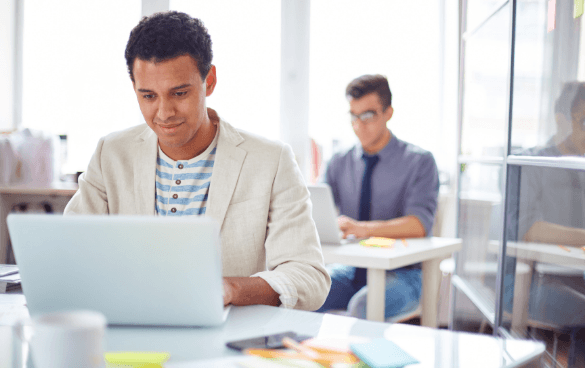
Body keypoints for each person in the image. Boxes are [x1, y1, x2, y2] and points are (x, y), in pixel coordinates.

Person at [64, 11, 330, 311]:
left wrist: (231, 289)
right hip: (129, 331)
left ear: (210, 81)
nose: (164, 113)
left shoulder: (270, 161)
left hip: (226, 343)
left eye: (179, 93)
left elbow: (309, 277)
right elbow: (70, 251)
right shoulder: (111, 153)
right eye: (148, 96)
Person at [316, 74, 439, 319]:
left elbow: (419, 225)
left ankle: (357, 359)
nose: (359, 124)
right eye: (353, 115)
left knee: (362, 306)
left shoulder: (419, 161)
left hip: (404, 273)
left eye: (368, 115)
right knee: (302, 294)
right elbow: (318, 209)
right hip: (353, 268)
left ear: (388, 112)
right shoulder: (339, 161)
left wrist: (363, 229)